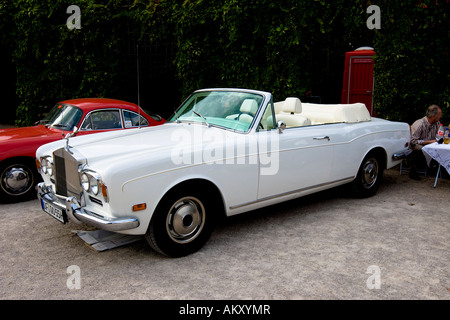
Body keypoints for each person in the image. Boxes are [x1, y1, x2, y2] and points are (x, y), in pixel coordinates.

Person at [408, 104, 442, 180]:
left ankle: (439, 170)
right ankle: (413, 171)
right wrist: (429, 142)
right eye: (440, 115)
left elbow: (438, 136)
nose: (441, 117)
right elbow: (413, 141)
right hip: (416, 145)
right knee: (420, 149)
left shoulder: (437, 123)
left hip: (431, 144)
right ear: (433, 116)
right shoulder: (420, 124)